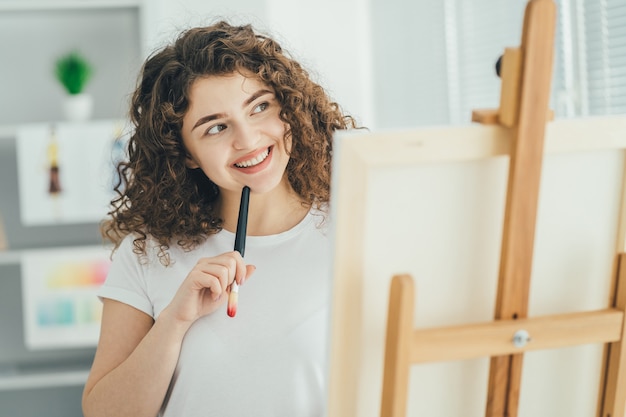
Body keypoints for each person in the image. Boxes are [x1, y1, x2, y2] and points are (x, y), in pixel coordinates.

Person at [82, 20, 359, 417]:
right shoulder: (149, 253)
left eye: (260, 106)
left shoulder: (356, 230)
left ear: (289, 108)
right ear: (186, 153)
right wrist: (176, 320)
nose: (247, 140)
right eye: (215, 127)